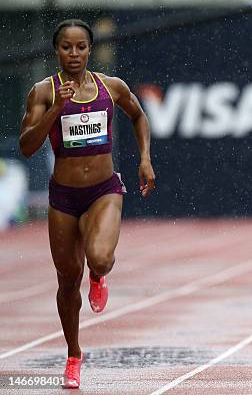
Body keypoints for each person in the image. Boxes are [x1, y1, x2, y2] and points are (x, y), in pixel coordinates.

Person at [19, 19, 155, 388]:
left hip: (103, 190)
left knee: (100, 257)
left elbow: (140, 115)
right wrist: (54, 110)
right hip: (63, 197)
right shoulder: (43, 92)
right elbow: (27, 146)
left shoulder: (110, 88)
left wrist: (144, 158)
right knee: (66, 281)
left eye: (80, 47)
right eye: (66, 47)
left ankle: (98, 275)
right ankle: (74, 355)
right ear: (57, 51)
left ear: (89, 50)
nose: (74, 54)